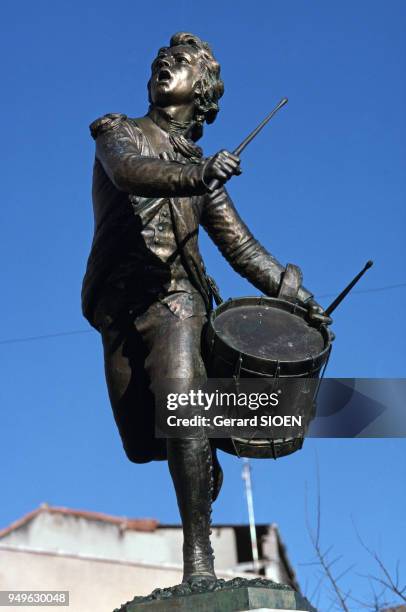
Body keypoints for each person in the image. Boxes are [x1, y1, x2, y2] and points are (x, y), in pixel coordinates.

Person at [82, 32, 329, 585]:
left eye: (182, 62)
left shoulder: (201, 169)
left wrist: (296, 294)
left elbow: (240, 246)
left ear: (204, 91)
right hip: (120, 307)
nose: (164, 63)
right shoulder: (118, 131)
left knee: (182, 406)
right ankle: (206, 444)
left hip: (176, 296)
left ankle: (199, 562)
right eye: (160, 59)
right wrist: (199, 174)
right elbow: (130, 173)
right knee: (141, 442)